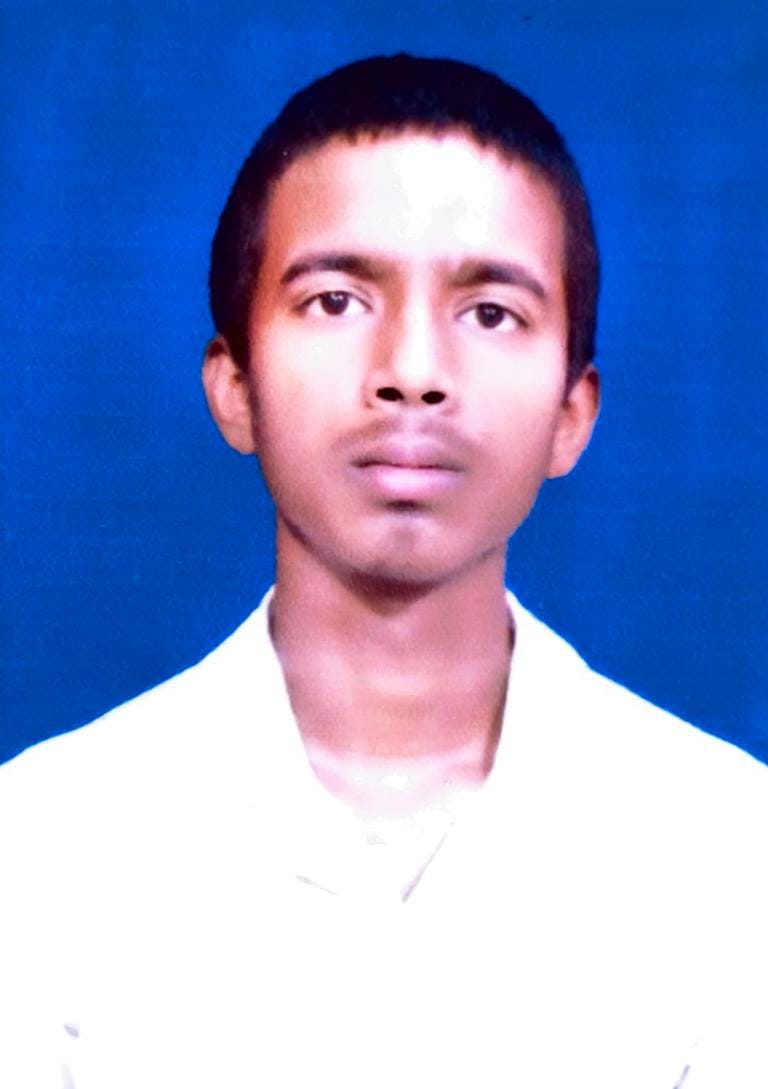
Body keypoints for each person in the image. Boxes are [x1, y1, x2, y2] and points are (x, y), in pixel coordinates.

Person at [1, 54, 766, 1089]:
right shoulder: (39, 849)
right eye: (335, 300)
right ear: (234, 386)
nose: (412, 371)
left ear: (571, 413)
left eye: (489, 313)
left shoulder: (732, 854)